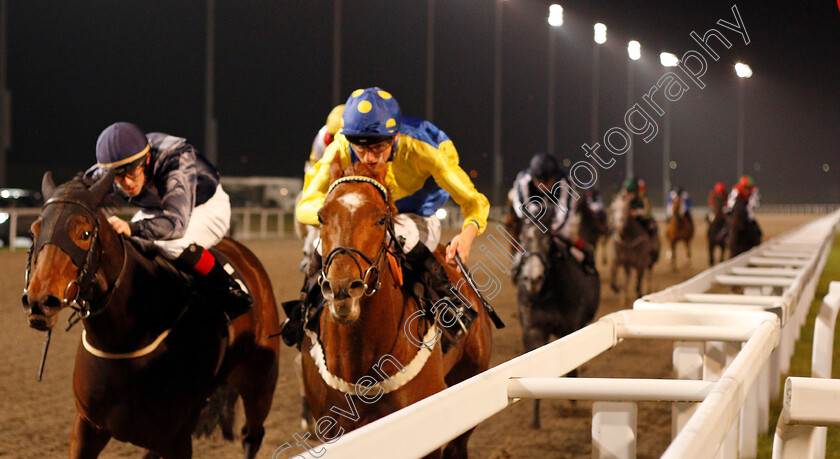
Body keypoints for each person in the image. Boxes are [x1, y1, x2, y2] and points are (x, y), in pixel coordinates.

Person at [295, 87, 490, 342]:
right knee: (323, 245)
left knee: (401, 236)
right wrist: (339, 218)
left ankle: (450, 304)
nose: (368, 158)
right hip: (365, 217)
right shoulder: (341, 147)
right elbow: (306, 205)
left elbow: (473, 200)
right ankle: (302, 312)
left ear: (395, 137)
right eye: (360, 149)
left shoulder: (424, 148)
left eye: (378, 149)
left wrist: (468, 233)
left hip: (416, 213)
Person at [84, 122, 252, 319]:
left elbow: (176, 225)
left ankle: (229, 287)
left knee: (171, 243)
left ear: (146, 159)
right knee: (129, 244)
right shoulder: (107, 170)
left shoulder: (175, 157)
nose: (127, 183)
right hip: (158, 210)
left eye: (131, 172)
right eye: (118, 177)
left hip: (205, 206)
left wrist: (132, 227)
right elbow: (79, 192)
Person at [508, 152, 595, 275]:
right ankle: (516, 264)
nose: (542, 185)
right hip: (533, 221)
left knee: (570, 238)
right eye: (538, 180)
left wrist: (555, 228)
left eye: (547, 180)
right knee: (527, 240)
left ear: (555, 176)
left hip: (557, 221)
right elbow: (521, 207)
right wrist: (536, 224)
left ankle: (586, 260)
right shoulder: (523, 179)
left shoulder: (565, 181)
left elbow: (566, 209)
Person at [299, 104, 345, 274]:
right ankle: (308, 253)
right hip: (319, 169)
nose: (336, 139)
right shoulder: (321, 138)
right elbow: (317, 170)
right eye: (332, 135)